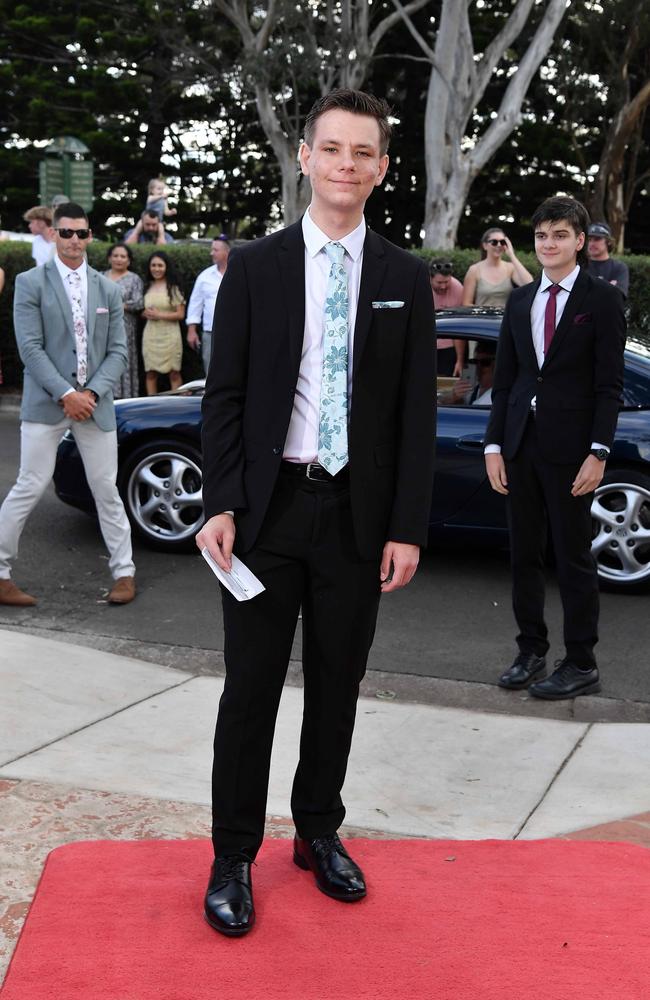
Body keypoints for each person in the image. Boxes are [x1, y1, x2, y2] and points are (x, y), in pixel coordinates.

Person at [196, 88, 436, 936]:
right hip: (264, 515)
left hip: (357, 522)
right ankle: (233, 856)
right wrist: (219, 501)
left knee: (337, 688)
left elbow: (416, 415)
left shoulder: (405, 278)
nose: (346, 164)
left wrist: (406, 525)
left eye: (362, 152)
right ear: (305, 158)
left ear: (380, 167)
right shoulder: (255, 268)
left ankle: (317, 834)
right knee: (250, 691)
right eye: (331, 149)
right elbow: (222, 399)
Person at [484, 196, 626, 700]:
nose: (549, 244)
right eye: (542, 235)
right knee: (524, 554)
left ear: (580, 242)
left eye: (560, 235)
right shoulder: (521, 301)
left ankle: (581, 661)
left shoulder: (602, 299)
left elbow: (609, 386)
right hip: (520, 444)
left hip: (573, 453)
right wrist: (494, 445)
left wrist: (599, 451)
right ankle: (531, 650)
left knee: (571, 557)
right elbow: (505, 382)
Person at [0, 202, 136, 607]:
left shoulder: (108, 288)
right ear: (54, 234)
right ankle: (0, 573)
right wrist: (66, 394)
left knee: (106, 490)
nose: (74, 240)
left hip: (95, 404)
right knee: (29, 484)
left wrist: (89, 394)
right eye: (66, 233)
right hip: (47, 402)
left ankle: (125, 573)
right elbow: (30, 348)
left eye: (81, 233)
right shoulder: (30, 282)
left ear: (90, 236)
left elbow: (117, 352)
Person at [141, 251, 186, 395]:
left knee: (174, 373)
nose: (156, 269)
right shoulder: (146, 286)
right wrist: (145, 313)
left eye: (160, 265)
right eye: (153, 265)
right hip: (151, 335)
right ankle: (152, 406)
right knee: (150, 373)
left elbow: (180, 314)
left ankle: (178, 406)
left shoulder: (173, 288)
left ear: (166, 267)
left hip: (170, 336)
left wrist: (159, 314)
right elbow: (142, 310)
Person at [104, 243, 144, 398]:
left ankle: (125, 396)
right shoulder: (100, 276)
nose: (119, 259)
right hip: (102, 327)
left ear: (128, 260)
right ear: (109, 258)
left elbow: (139, 302)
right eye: (115, 255)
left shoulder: (134, 279)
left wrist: (121, 306)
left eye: (123, 256)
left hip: (125, 327)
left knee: (122, 358)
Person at [186, 236, 230, 375]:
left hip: (236, 330)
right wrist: (191, 330)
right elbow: (195, 304)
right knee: (210, 368)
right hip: (210, 332)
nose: (212, 253)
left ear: (226, 252)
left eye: (215, 250)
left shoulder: (239, 272)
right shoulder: (204, 276)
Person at [462, 227, 533, 308]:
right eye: (494, 242)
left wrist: (512, 255)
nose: (499, 245)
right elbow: (466, 304)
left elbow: (529, 283)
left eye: (502, 242)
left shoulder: (510, 268)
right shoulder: (474, 270)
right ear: (485, 246)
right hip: (482, 319)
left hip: (505, 319)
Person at [430, 259, 465, 375]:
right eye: (439, 283)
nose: (443, 286)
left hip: (449, 346)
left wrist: (459, 360)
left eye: (447, 281)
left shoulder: (458, 288)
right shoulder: (420, 286)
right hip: (427, 344)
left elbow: (459, 327)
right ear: (430, 278)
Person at [441, 340, 496, 406]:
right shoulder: (473, 387)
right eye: (475, 362)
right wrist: (454, 397)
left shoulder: (493, 397)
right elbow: (442, 402)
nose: (478, 367)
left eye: (485, 363)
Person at [587, 221, 629, 298]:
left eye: (597, 239)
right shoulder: (579, 266)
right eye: (589, 239)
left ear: (608, 242)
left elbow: (618, 296)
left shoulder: (619, 267)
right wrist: (608, 286)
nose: (592, 243)